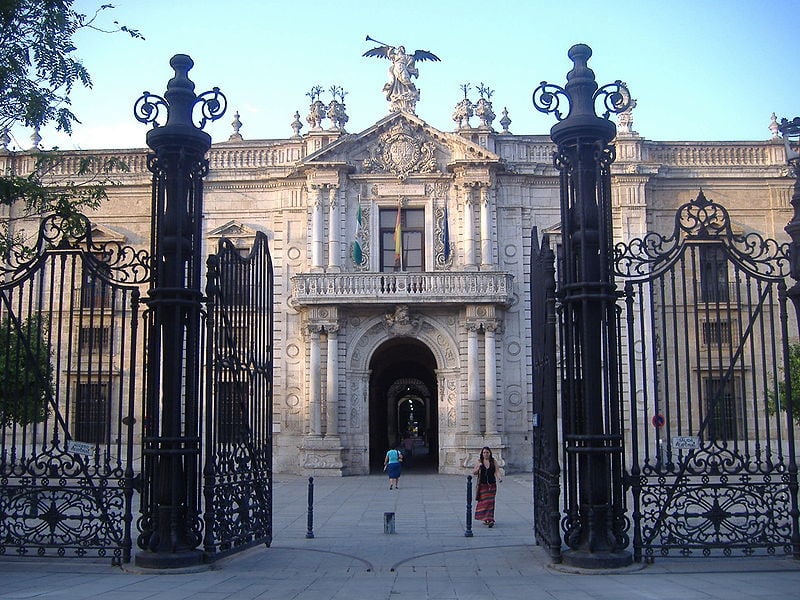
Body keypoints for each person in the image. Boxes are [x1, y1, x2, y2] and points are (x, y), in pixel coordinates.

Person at [473, 446, 502, 527]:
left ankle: (490, 519)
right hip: (482, 485)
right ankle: (486, 519)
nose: (486, 454)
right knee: (484, 502)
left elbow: (497, 471)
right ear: (482, 454)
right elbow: (474, 472)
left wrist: (499, 478)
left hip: (492, 485)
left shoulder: (493, 461)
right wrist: (478, 467)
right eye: (484, 452)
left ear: (490, 453)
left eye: (487, 452)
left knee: (490, 502)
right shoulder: (479, 461)